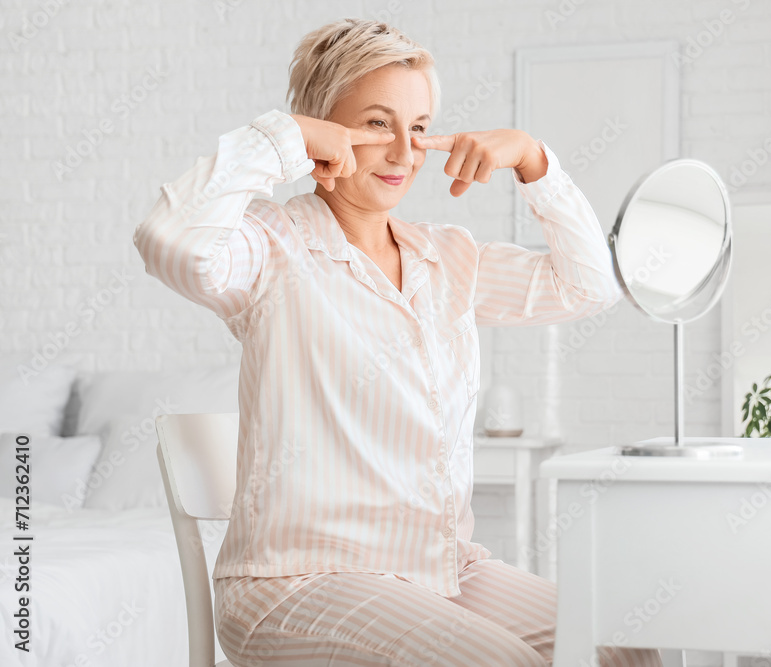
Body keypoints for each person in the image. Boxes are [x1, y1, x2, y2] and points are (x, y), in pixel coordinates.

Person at [133, 17, 661, 667]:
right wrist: (282, 138)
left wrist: (533, 158)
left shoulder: (447, 258)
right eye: (378, 123)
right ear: (324, 128)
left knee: (617, 647)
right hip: (293, 582)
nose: (406, 152)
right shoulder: (272, 247)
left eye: (419, 126)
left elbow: (592, 284)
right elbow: (168, 241)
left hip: (440, 569)